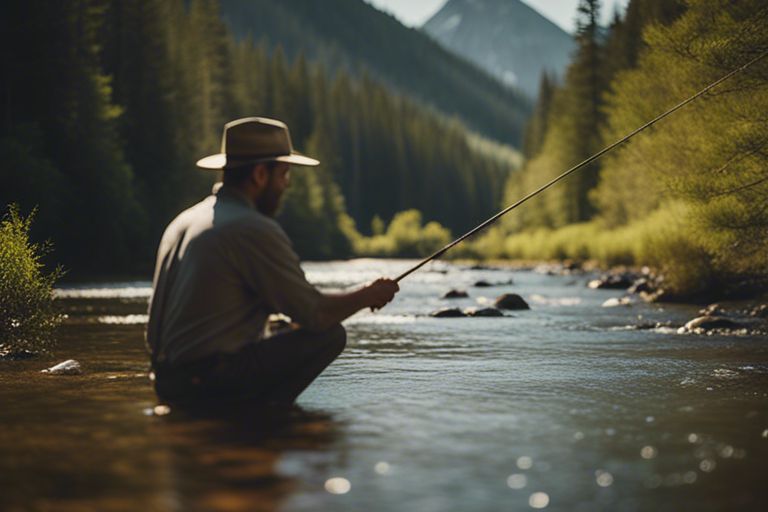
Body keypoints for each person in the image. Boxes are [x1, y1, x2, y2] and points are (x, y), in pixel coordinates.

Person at [146, 117, 399, 406]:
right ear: (259, 175)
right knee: (329, 335)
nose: (287, 185)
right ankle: (262, 421)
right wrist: (369, 295)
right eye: (284, 174)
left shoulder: (185, 220)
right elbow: (315, 314)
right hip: (204, 385)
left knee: (282, 326)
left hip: (166, 380)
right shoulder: (250, 227)